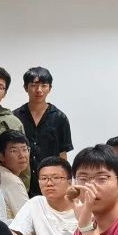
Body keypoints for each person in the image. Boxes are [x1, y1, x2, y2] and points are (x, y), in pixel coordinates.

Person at [13, 67, 73, 196]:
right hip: (22, 181)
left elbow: (62, 154)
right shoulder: (15, 117)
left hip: (50, 183)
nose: (39, 90)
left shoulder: (59, 118)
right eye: (33, 85)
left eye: (44, 85)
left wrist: (67, 183)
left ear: (49, 88)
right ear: (25, 87)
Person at [9, 157, 77, 235]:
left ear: (69, 182)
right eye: (44, 178)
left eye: (56, 178)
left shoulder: (83, 206)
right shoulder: (36, 203)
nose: (49, 183)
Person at [0, 130, 31, 218]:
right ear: (1, 156)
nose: (22, 155)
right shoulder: (11, 181)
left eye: (25, 149)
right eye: (14, 151)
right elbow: (27, 218)